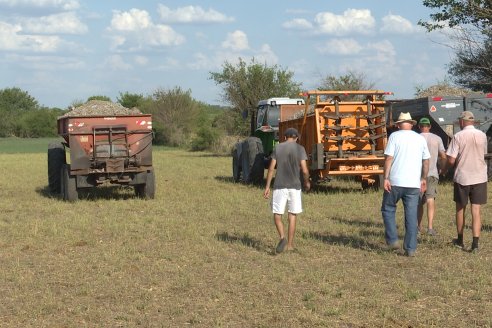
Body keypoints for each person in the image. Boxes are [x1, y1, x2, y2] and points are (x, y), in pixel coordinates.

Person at [381, 112, 430, 257]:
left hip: (395, 181)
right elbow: (426, 161)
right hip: (413, 183)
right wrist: (423, 178)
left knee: (388, 209)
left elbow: (389, 158)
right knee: (411, 215)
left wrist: (386, 178)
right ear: (412, 124)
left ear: (398, 125)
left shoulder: (394, 136)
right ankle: (410, 248)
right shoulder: (419, 138)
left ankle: (393, 240)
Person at [444, 111, 487, 253]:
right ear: (473, 122)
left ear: (462, 122)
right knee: (476, 210)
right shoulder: (482, 135)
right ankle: (475, 244)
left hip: (463, 176)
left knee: (460, 208)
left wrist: (444, 169)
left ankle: (460, 240)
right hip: (480, 176)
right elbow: (483, 153)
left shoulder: (458, 136)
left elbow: (451, 159)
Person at [264, 127, 310, 253]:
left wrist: (267, 186)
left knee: (277, 214)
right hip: (295, 186)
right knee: (292, 215)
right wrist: (307, 182)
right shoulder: (300, 149)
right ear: (296, 138)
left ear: (284, 137)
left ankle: (282, 237)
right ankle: (290, 245)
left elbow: (271, 168)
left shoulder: (278, 148)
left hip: (279, 186)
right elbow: (305, 170)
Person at [417, 117, 447, 236]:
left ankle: (418, 227)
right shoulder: (437, 138)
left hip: (417, 175)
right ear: (429, 126)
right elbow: (443, 156)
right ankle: (430, 228)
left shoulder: (416, 138)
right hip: (432, 173)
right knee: (430, 200)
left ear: (419, 126)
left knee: (418, 202)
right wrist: (443, 169)